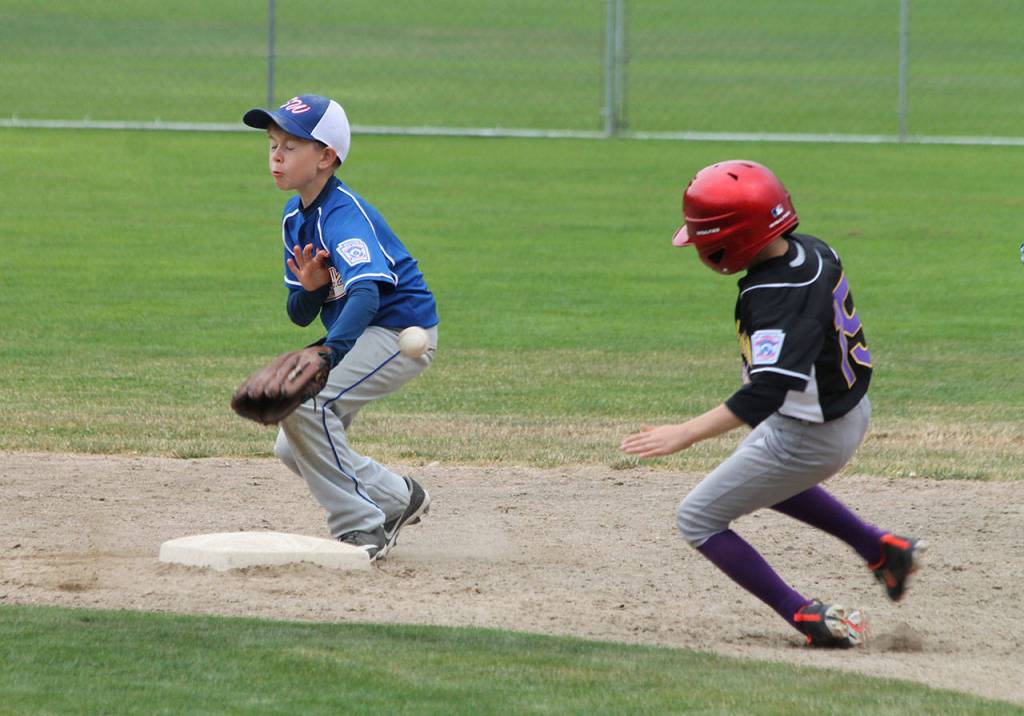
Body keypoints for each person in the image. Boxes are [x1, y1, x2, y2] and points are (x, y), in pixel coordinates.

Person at [620, 160, 925, 647]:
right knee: (757, 476)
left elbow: (764, 392)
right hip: (836, 412)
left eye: (705, 236)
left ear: (733, 238)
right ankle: (881, 549)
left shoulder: (775, 295)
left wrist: (683, 433)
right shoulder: (811, 249)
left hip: (811, 433)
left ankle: (805, 618)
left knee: (698, 518)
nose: (700, 244)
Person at [242, 94, 439, 561]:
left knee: (306, 407)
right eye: (272, 144)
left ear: (327, 157)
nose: (275, 156)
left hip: (397, 332)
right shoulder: (295, 218)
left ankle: (361, 528)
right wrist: (310, 289)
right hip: (360, 331)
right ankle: (397, 499)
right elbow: (298, 311)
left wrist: (329, 354)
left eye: (291, 146)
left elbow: (368, 293)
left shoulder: (343, 215)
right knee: (293, 447)